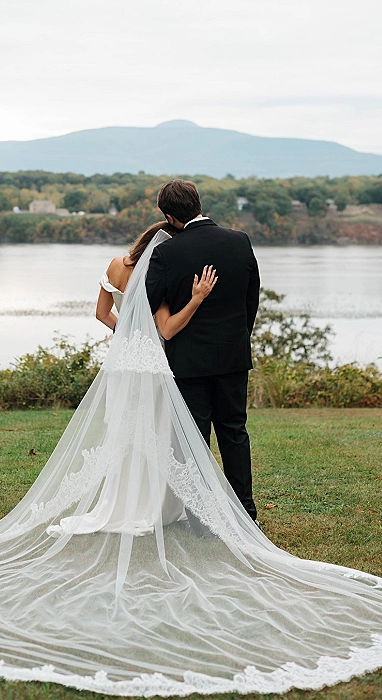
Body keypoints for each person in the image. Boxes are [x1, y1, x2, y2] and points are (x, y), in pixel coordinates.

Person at [0, 219, 382, 696]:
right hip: (156, 363)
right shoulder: (160, 272)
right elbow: (165, 330)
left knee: (129, 439)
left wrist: (124, 333)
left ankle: (126, 501)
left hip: (122, 364)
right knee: (162, 439)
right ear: (164, 244)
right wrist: (182, 308)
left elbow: (102, 315)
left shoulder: (119, 268)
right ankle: (155, 507)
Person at [146, 179, 259, 521]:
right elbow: (250, 301)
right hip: (233, 357)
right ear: (197, 202)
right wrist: (239, 338)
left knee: (193, 439)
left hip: (188, 362)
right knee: (234, 432)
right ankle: (246, 512)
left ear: (169, 215)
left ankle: (200, 518)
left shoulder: (166, 254)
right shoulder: (240, 242)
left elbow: (150, 307)